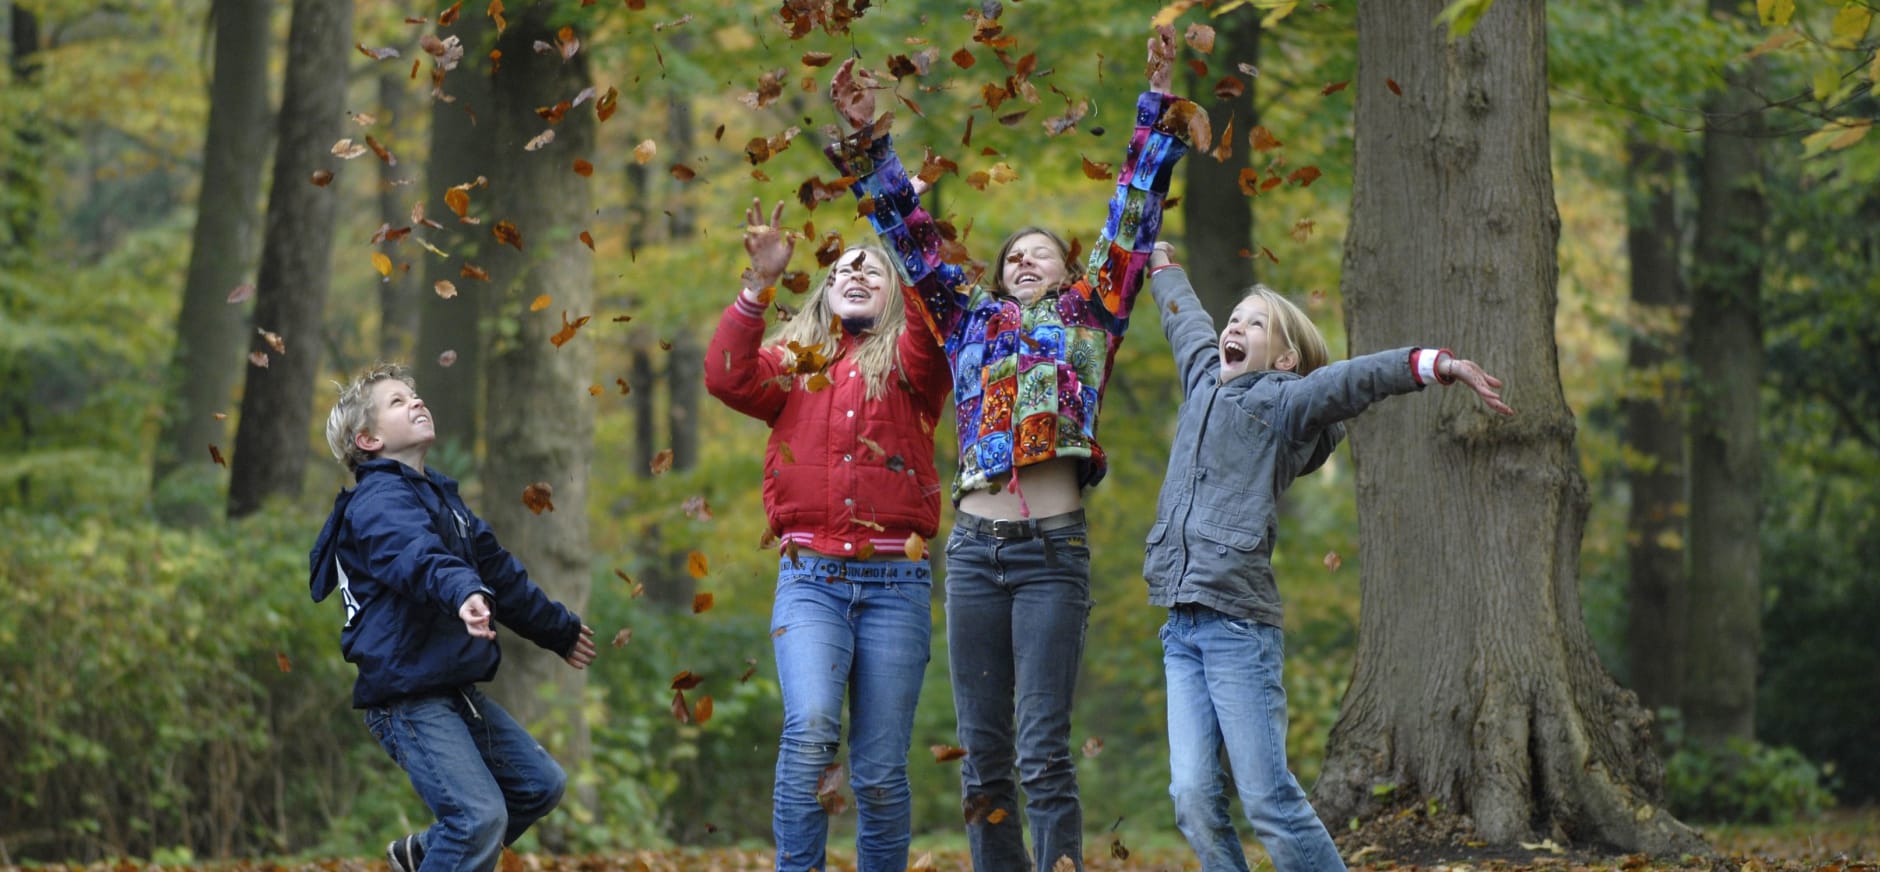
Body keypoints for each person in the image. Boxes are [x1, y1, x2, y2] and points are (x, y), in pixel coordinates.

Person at [822, 24, 1194, 871]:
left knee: (1041, 751)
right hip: (977, 554)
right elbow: (912, 240)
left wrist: (1154, 108)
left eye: (1043, 254)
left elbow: (1132, 213)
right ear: (996, 276)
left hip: (1051, 555)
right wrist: (871, 139)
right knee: (983, 759)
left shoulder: (1092, 318)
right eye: (1013, 255)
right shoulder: (968, 321)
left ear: (1070, 272)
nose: (1025, 260)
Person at [1140, 241, 1514, 872]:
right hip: (1181, 626)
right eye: (1236, 317)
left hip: (1236, 627)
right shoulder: (1203, 377)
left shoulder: (1285, 402)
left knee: (1266, 797)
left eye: (1255, 324)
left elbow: (1351, 380)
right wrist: (1162, 265)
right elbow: (1186, 320)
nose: (1235, 326)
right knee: (1192, 795)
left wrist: (1434, 364)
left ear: (1284, 359)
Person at [702, 199, 952, 872]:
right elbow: (726, 376)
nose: (859, 274)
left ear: (895, 292)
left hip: (896, 583)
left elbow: (934, 319)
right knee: (811, 729)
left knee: (877, 769)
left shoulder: (913, 364)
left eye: (876, 270)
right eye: (846, 268)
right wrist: (757, 287)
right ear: (825, 288)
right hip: (811, 578)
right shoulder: (796, 362)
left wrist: (909, 222)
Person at [308, 363, 598, 872]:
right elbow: (415, 556)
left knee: (538, 786)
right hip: (406, 698)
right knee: (477, 818)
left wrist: (559, 629)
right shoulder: (376, 503)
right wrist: (462, 590)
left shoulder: (445, 501)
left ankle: (426, 855)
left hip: (450, 686)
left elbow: (503, 576)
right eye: (397, 402)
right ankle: (446, 850)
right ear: (368, 439)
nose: (417, 402)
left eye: (415, 395)